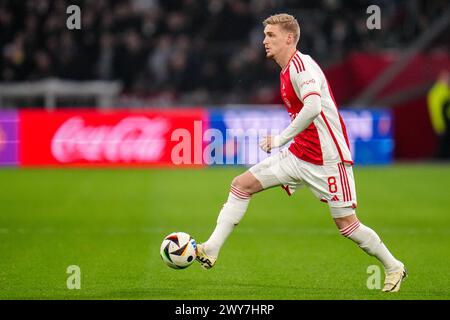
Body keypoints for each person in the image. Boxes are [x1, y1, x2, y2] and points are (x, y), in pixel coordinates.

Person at [196, 13, 407, 292]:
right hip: (298, 156)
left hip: (328, 159)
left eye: (271, 35)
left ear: (289, 38)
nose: (264, 41)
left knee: (347, 225)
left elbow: (313, 107)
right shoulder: (285, 70)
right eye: (265, 35)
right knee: (241, 185)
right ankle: (211, 248)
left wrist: (280, 138)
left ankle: (394, 266)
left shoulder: (301, 66)